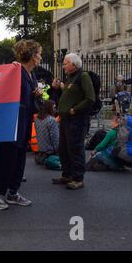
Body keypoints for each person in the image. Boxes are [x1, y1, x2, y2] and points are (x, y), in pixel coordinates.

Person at [0, 39, 42, 210]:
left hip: (24, 122)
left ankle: (13, 192)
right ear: (33, 56)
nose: (40, 57)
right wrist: (11, 69)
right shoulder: (15, 71)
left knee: (19, 159)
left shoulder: (31, 74)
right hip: (9, 124)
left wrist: (37, 93)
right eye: (39, 54)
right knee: (6, 159)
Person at [51, 53, 95, 190]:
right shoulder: (70, 78)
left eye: (65, 63)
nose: (63, 66)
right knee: (64, 149)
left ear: (74, 65)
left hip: (76, 120)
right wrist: (58, 88)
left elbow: (90, 98)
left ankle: (77, 178)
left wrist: (74, 110)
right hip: (66, 120)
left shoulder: (83, 76)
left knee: (75, 149)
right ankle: (67, 174)